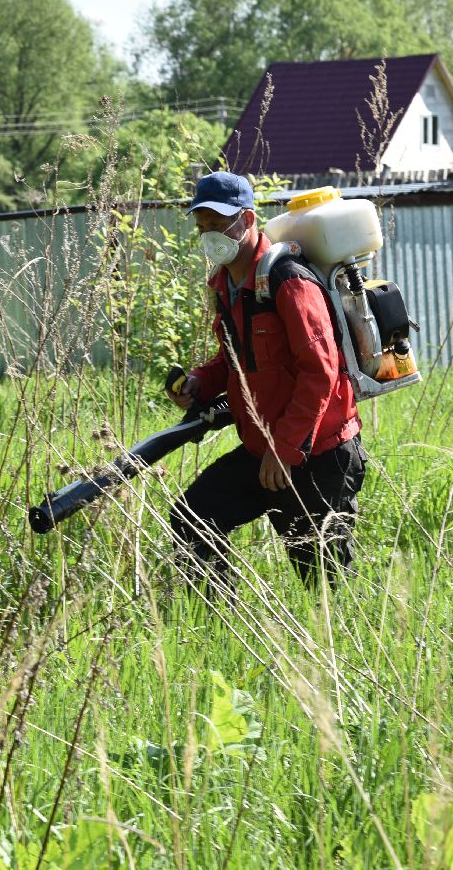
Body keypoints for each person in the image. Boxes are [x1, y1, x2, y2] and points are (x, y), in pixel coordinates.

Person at [166, 170, 366, 592]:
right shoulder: (226, 285)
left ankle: (341, 652)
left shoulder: (286, 279)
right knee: (194, 515)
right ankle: (219, 626)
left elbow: (321, 371)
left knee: (326, 587)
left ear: (248, 219)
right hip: (267, 450)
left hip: (318, 453)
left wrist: (286, 449)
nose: (209, 236)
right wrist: (201, 381)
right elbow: (237, 358)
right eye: (202, 228)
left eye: (218, 225)